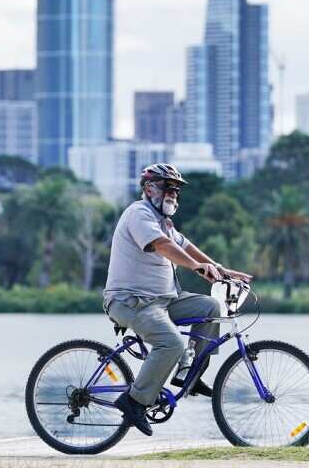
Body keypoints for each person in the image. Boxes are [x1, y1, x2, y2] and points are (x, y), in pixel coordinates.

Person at [103, 163, 253, 437]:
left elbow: (184, 245)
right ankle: (134, 401)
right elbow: (163, 246)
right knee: (170, 342)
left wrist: (220, 269)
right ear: (149, 189)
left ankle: (190, 375)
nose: (173, 193)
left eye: (176, 190)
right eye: (167, 187)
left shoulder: (164, 222)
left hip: (165, 299)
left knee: (211, 306)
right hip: (132, 301)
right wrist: (195, 267)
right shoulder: (139, 214)